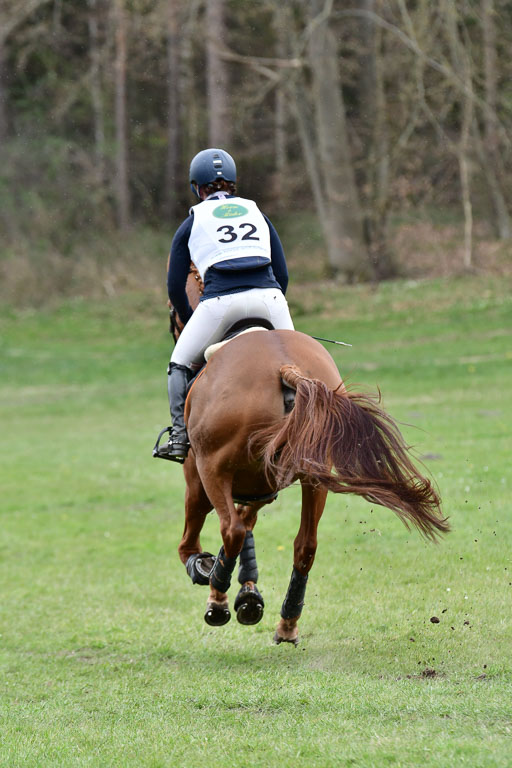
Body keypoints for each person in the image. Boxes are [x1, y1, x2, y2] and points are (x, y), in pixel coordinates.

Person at [153, 147, 294, 463]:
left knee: (177, 363)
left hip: (220, 303)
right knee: (295, 363)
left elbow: (176, 287)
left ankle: (179, 436)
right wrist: (272, 305)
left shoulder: (192, 221)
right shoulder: (258, 213)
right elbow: (282, 273)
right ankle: (297, 410)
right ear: (233, 184)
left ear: (197, 188)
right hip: (270, 299)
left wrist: (192, 320)